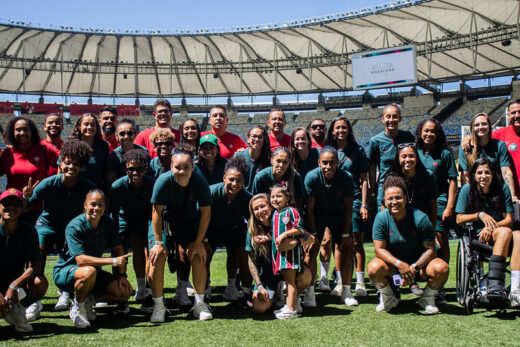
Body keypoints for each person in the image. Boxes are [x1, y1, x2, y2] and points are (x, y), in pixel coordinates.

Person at [23, 139, 95, 313]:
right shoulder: (49, 183)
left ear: (82, 166)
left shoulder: (87, 187)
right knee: (38, 250)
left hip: (70, 228)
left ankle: (65, 291)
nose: (71, 167)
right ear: (61, 163)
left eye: (75, 164)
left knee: (72, 251)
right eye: (67, 163)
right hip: (48, 224)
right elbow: (26, 206)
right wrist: (26, 197)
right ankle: (33, 297)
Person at [147, 144, 212, 322]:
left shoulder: (199, 181)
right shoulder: (163, 181)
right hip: (164, 222)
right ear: (171, 167)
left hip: (189, 221)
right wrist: (158, 243)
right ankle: (159, 306)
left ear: (193, 167)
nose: (182, 171)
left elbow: (206, 213)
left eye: (186, 167)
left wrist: (199, 242)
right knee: (156, 257)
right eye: (177, 167)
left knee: (198, 255)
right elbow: (156, 212)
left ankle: (199, 304)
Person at [367, 176, 449, 314]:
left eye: (398, 197)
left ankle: (427, 298)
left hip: (418, 267)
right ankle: (388, 297)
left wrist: (413, 268)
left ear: (406, 198)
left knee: (441, 268)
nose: (394, 202)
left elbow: (431, 250)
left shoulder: (421, 218)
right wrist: (400, 264)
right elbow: (379, 250)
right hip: (393, 268)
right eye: (390, 199)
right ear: (385, 201)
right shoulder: (381, 218)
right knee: (373, 268)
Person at [52, 190, 133, 328]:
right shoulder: (74, 226)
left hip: (93, 273)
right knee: (88, 271)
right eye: (93, 204)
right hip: (66, 271)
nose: (97, 208)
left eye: (100, 205)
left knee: (123, 292)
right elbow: (81, 260)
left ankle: (87, 301)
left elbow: (117, 248)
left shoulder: (106, 221)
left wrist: (121, 275)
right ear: (85, 205)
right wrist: (113, 261)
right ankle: (77, 308)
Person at [455, 157, 520, 305]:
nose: (483, 176)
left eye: (487, 172)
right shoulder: (467, 189)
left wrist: (490, 227)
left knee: (517, 235)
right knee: (505, 232)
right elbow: (459, 219)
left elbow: (509, 219)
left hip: (500, 232)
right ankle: (495, 286)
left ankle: (516, 289)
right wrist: (479, 215)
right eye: (479, 173)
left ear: (492, 174)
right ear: (474, 175)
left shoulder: (502, 188)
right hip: (479, 236)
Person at [304, 146, 357, 307]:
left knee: (347, 248)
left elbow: (348, 207)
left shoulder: (346, 177)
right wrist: (313, 234)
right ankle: (310, 292)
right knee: (311, 250)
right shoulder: (311, 177)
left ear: (337, 163)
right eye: (325, 163)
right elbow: (310, 208)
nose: (328, 167)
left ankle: (346, 291)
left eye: (332, 163)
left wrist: (346, 234)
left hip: (339, 215)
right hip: (317, 215)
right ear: (319, 162)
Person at [246, 193, 314, 314]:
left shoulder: (283, 221)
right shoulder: (252, 230)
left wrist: (294, 242)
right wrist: (260, 286)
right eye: (256, 209)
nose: (260, 211)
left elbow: (311, 238)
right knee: (259, 308)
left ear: (271, 206)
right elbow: (251, 261)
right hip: (267, 276)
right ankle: (277, 294)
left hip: (288, 269)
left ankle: (292, 299)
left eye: (263, 206)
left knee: (306, 276)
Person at [326, 116, 369, 297]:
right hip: (335, 202)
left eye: (344, 127)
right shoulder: (328, 150)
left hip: (355, 199)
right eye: (337, 128)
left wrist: (364, 204)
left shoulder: (358, 150)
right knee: (338, 242)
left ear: (349, 130)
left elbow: (364, 180)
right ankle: (339, 281)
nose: (341, 131)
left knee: (356, 241)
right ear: (332, 130)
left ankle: (359, 281)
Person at [206, 156, 253, 304]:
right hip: (211, 229)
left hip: (234, 228)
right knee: (204, 255)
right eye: (231, 179)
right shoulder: (211, 192)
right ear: (224, 178)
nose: (234, 183)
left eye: (239, 180)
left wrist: (252, 239)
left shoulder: (246, 197)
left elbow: (252, 220)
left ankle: (237, 290)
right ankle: (204, 289)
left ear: (244, 182)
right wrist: (204, 239)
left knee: (241, 254)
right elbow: (200, 218)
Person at [0, 189, 48, 333]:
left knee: (40, 282)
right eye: (6, 203)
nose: (11, 207)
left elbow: (35, 266)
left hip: (15, 284)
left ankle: (18, 310)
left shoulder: (28, 230)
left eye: (16, 204)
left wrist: (14, 286)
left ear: (22, 209)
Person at [109, 149, 154, 303]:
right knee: (118, 251)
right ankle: (118, 284)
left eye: (140, 169)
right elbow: (114, 212)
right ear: (125, 169)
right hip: (124, 219)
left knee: (150, 249)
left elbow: (155, 210)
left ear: (146, 169)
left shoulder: (151, 184)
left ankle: (144, 288)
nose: (135, 172)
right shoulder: (117, 186)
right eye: (131, 169)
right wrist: (115, 237)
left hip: (145, 219)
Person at [415, 119, 458, 266]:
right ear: (420, 132)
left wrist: (450, 207)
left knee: (441, 240)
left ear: (438, 133)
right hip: (420, 202)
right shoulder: (415, 151)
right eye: (426, 130)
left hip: (440, 200)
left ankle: (442, 281)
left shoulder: (445, 153)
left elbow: (453, 180)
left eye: (432, 131)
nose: (428, 134)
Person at [269, 184, 312, 319]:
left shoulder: (291, 211)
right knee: (287, 281)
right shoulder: (276, 213)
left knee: (289, 281)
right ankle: (289, 306)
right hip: (280, 255)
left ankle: (291, 309)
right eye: (272, 196)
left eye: (279, 196)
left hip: (290, 255)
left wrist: (284, 235)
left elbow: (299, 228)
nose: (275, 199)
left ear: (287, 197)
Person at [0, 116, 54, 224]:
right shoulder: (7, 153)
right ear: (12, 132)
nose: (22, 133)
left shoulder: (44, 150)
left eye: (25, 129)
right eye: (18, 130)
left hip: (38, 208)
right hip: (13, 207)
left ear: (31, 131)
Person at [459, 113, 517, 201]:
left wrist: (512, 196)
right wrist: (468, 198)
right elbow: (465, 177)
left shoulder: (499, 145)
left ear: (489, 126)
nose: (480, 127)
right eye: (477, 125)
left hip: (497, 194)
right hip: (475, 196)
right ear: (472, 128)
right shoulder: (466, 148)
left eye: (484, 124)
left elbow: (506, 173)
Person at [368, 104, 415, 209]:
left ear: (400, 119)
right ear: (382, 119)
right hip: (384, 186)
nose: (391, 120)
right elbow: (372, 167)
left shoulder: (408, 136)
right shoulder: (375, 141)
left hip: (405, 186)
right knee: (384, 219)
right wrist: (372, 191)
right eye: (388, 116)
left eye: (395, 116)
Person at [386, 143, 438, 228]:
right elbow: (385, 206)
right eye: (404, 156)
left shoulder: (427, 176)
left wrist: (432, 228)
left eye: (411, 156)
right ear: (398, 158)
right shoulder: (391, 179)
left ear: (417, 158)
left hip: (422, 224)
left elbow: (433, 204)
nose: (408, 159)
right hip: (399, 225)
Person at [67, 113, 110, 190]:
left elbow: (107, 174)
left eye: (92, 125)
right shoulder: (70, 146)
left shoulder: (103, 146)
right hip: (74, 193)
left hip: (95, 194)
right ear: (79, 127)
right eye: (86, 124)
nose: (89, 127)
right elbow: (61, 172)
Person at [491, 99, 520, 200]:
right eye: (513, 113)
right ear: (508, 115)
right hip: (510, 197)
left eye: (519, 112)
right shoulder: (499, 134)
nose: (517, 115)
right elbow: (481, 142)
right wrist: (468, 139)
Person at [107, 118, 148, 184]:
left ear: (135, 134)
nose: (126, 137)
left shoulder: (144, 152)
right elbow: (111, 181)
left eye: (130, 133)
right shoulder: (114, 156)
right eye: (122, 134)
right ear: (117, 136)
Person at [234, 125, 271, 193]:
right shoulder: (239, 156)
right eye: (254, 136)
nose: (256, 139)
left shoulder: (267, 160)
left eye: (260, 137)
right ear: (248, 139)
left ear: (264, 140)